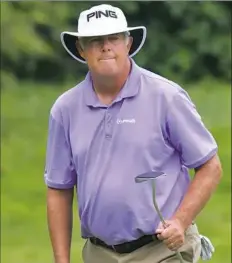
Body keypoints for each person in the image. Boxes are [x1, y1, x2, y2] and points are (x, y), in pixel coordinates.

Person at [44, 4, 222, 263]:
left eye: (114, 38)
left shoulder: (166, 97)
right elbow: (59, 189)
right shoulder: (65, 109)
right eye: (95, 40)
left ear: (128, 43)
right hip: (98, 253)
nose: (105, 46)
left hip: (163, 249)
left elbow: (211, 166)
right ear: (81, 49)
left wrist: (181, 221)